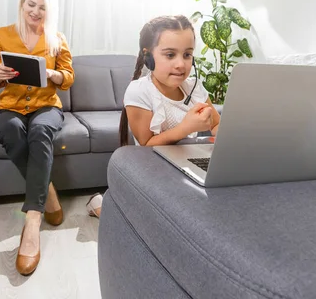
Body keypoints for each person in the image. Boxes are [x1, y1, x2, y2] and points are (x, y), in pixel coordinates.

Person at [85, 15, 221, 218]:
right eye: (170, 55)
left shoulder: (194, 88)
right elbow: (147, 144)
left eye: (187, 55)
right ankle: (99, 204)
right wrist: (186, 127)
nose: (181, 64)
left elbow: (217, 125)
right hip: (154, 167)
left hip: (186, 165)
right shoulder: (140, 91)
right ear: (148, 57)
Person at [0, 0, 74, 276]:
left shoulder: (56, 38)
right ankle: (47, 193)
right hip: (10, 105)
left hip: (46, 106)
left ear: (50, 11)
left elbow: (69, 77)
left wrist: (53, 74)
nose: (35, 11)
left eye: (42, 7)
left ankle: (32, 220)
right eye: (31, 5)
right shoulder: (2, 34)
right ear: (22, 4)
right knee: (10, 130)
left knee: (40, 132)